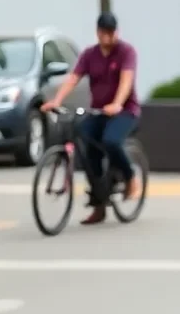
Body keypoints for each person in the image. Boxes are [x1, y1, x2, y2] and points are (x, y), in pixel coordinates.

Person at [42, 12, 140, 225]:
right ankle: (99, 202)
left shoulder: (126, 52)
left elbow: (126, 80)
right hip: (98, 111)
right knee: (86, 144)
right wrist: (57, 100)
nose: (107, 36)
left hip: (124, 111)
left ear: (116, 32)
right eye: (103, 32)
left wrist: (117, 103)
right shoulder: (89, 55)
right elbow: (73, 79)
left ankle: (130, 177)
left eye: (111, 32)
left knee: (111, 141)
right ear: (97, 32)